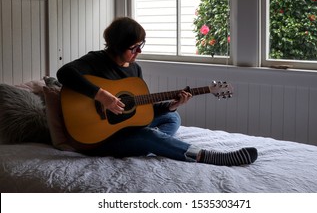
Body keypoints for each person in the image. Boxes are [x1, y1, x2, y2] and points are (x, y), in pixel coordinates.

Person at [57, 17, 258, 166]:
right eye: (133, 47)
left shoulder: (135, 69)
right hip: (96, 138)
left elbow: (142, 109)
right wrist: (102, 95)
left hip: (124, 130)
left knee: (173, 118)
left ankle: (150, 143)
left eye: (140, 45)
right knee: (148, 135)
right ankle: (206, 156)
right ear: (117, 46)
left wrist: (172, 105)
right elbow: (64, 72)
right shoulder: (95, 60)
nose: (139, 52)